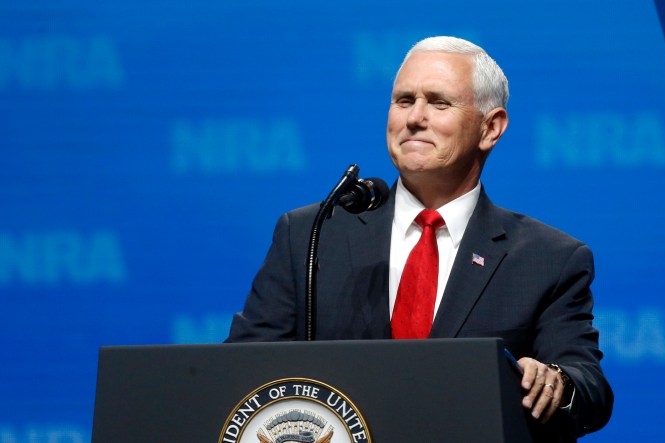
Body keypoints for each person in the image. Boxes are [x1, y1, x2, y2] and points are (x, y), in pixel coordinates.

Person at [226, 36, 613, 441]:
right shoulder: (310, 234)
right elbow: (239, 370)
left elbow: (588, 389)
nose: (415, 118)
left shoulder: (548, 259)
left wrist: (555, 382)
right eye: (404, 101)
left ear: (491, 128)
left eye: (439, 103)